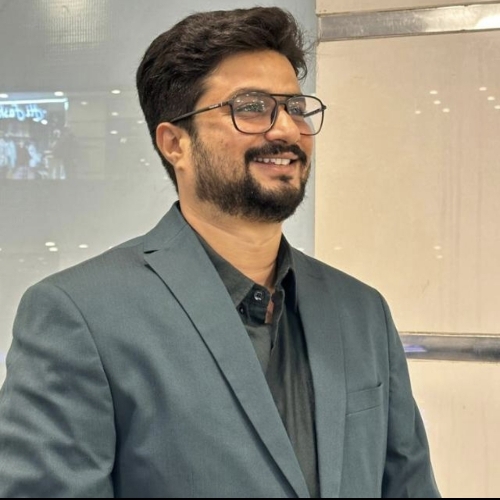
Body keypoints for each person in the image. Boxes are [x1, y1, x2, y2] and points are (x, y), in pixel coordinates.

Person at [0, 7, 440, 498]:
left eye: (295, 107)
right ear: (175, 144)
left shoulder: (361, 312)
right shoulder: (80, 317)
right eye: (251, 107)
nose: (287, 130)